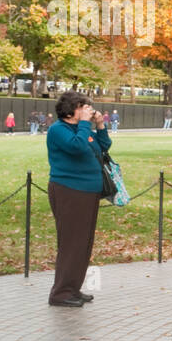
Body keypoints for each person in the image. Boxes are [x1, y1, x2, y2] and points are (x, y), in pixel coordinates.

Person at [45, 91, 110, 308]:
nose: (88, 110)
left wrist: (99, 126)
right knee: (71, 244)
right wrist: (84, 124)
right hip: (69, 191)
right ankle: (60, 293)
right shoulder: (58, 130)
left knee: (83, 243)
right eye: (83, 106)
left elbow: (102, 147)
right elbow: (77, 147)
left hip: (88, 192)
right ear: (72, 110)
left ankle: (73, 288)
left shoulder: (81, 129)